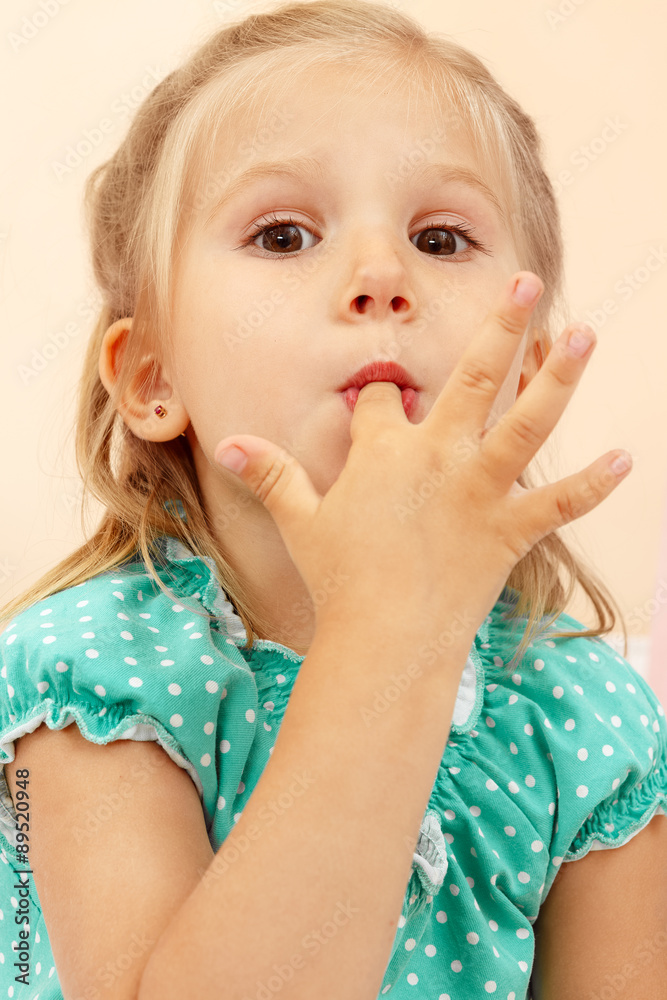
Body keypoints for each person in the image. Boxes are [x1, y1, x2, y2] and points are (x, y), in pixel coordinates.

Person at [1, 1, 665, 998]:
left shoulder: (585, 718)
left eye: (441, 239)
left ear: (524, 371)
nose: (381, 275)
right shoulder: (100, 677)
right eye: (281, 234)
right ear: (149, 377)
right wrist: (390, 628)